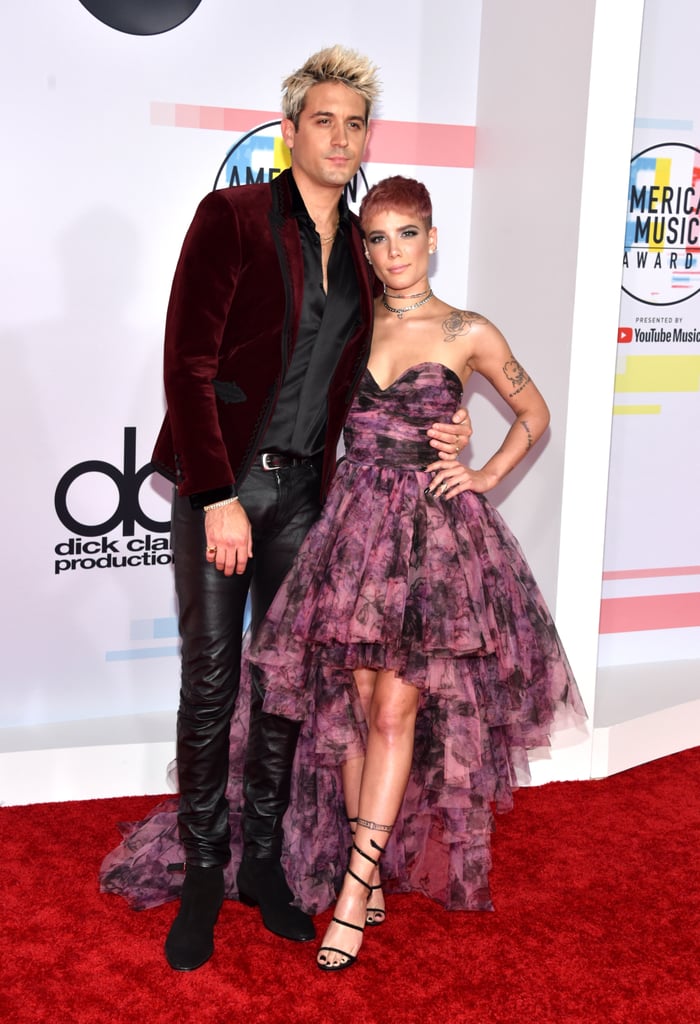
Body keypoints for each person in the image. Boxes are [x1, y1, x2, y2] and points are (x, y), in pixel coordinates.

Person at [129, 50, 471, 973]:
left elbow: (394, 362)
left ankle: (263, 869)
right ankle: (205, 871)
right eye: (323, 120)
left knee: (285, 693)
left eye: (355, 124)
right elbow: (188, 367)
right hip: (225, 492)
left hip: (311, 500)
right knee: (212, 683)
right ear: (291, 132)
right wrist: (215, 497)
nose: (340, 137)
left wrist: (454, 416)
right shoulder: (232, 217)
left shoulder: (365, 250)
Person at [246, 175, 586, 971]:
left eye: (407, 234)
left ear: (433, 238)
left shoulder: (469, 330)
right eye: (376, 238)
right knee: (360, 708)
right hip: (352, 532)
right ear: (362, 247)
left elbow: (534, 414)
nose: (392, 252)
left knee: (396, 713)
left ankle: (354, 894)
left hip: (429, 543)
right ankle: (368, 878)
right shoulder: (349, 324)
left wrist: (485, 471)